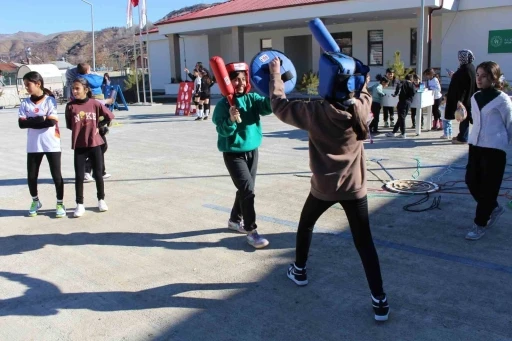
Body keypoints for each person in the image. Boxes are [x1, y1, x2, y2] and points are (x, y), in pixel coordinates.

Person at [268, 56, 389, 321]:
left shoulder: (314, 111)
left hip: (323, 187)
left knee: (306, 224)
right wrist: (363, 80)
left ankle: (299, 271)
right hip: (355, 188)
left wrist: (276, 74)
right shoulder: (361, 106)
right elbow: (365, 90)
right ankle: (379, 300)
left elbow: (278, 105)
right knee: (364, 242)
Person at [212, 62, 273, 249]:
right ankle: (251, 231)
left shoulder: (253, 98)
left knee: (245, 189)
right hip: (233, 153)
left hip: (252, 150)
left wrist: (275, 88)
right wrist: (230, 119)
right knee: (248, 191)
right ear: (227, 82)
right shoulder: (223, 105)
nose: (240, 82)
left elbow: (268, 107)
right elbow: (222, 131)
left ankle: (233, 220)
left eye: (243, 78)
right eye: (235, 79)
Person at [464, 61, 512, 240]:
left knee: (488, 187)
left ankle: (480, 224)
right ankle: (493, 207)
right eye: (477, 75)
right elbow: (476, 120)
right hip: (475, 145)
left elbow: (510, 124)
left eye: (484, 76)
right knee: (470, 180)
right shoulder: (475, 97)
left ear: (494, 78)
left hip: (494, 148)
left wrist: (501, 141)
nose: (479, 79)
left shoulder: (502, 99)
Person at [18, 71, 66, 218]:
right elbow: (21, 124)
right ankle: (35, 201)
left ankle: (59, 203)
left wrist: (31, 121)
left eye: (28, 85)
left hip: (51, 143)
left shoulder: (50, 101)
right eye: (25, 85)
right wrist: (40, 119)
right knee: (32, 176)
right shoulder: (25, 103)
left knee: (56, 175)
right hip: (33, 145)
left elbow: (51, 122)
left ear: (38, 84)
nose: (26, 88)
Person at [65, 78, 115, 218]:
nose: (74, 91)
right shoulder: (70, 106)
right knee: (79, 176)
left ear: (85, 90)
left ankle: (101, 200)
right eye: (73, 89)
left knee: (98, 174)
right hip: (79, 144)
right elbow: (70, 124)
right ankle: (79, 204)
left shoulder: (94, 104)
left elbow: (109, 116)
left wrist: (99, 127)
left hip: (95, 143)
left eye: (77, 88)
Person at [445, 50, 477, 144]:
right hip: (468, 97)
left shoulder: (465, 69)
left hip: (464, 99)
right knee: (464, 117)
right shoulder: (469, 67)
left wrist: (460, 100)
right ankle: (462, 135)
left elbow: (463, 86)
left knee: (464, 117)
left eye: (461, 56)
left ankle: (463, 138)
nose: (459, 58)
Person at [386, 74, 416, 138]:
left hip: (402, 101)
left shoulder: (403, 83)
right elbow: (414, 92)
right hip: (409, 102)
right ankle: (394, 132)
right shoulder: (413, 85)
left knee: (401, 117)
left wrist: (395, 94)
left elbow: (398, 86)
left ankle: (403, 133)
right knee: (401, 117)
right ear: (411, 79)